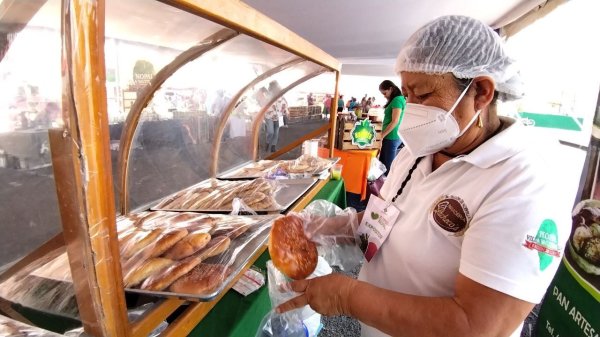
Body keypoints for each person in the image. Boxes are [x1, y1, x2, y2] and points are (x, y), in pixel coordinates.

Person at [277, 15, 571, 337]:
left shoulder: (524, 182)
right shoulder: (423, 147)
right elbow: (389, 217)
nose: (412, 108)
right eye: (406, 93)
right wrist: (325, 228)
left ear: (482, 92)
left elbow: (479, 326)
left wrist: (348, 298)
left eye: (424, 95)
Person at [378, 80, 406, 174]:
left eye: (385, 93)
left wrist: (382, 135)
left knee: (387, 167)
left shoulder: (397, 100)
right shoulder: (398, 99)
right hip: (391, 136)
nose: (384, 96)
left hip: (391, 136)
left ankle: (386, 186)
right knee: (383, 165)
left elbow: (395, 121)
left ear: (391, 89)